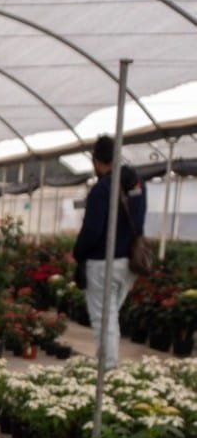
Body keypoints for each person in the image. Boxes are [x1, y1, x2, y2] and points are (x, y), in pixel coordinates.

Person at [73, 134, 145, 367]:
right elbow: (139, 222)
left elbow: (92, 230)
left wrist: (78, 253)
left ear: (95, 161)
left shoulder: (102, 189)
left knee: (105, 321)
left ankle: (108, 370)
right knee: (111, 318)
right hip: (129, 263)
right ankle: (108, 365)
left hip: (102, 264)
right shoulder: (136, 185)